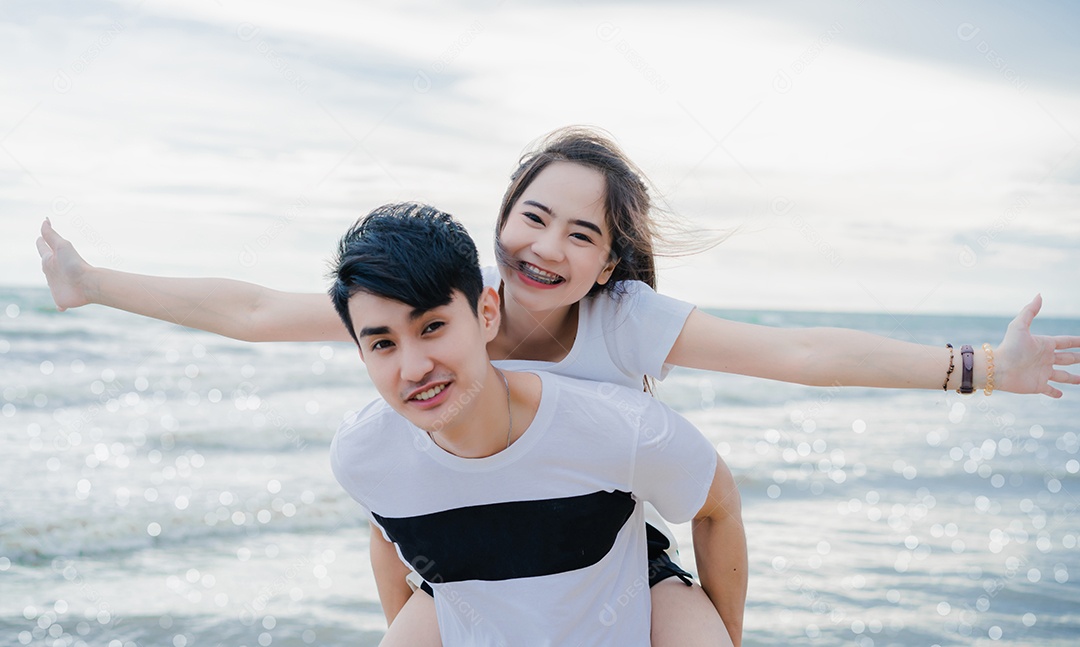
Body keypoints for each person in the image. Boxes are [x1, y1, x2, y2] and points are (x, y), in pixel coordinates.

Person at [35, 126, 1080, 645]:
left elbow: (799, 354)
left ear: (609, 262)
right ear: (502, 219)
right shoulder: (440, 310)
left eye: (582, 233)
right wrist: (94, 283)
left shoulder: (625, 321)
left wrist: (983, 369)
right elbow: (259, 310)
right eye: (534, 215)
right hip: (465, 551)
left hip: (606, 545)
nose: (548, 246)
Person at [326, 202, 743, 646]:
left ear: (487, 314)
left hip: (624, 589)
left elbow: (717, 507)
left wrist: (724, 635)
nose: (414, 369)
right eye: (383, 344)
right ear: (361, 354)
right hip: (470, 593)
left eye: (432, 327)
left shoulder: (617, 427)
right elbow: (386, 531)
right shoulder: (363, 453)